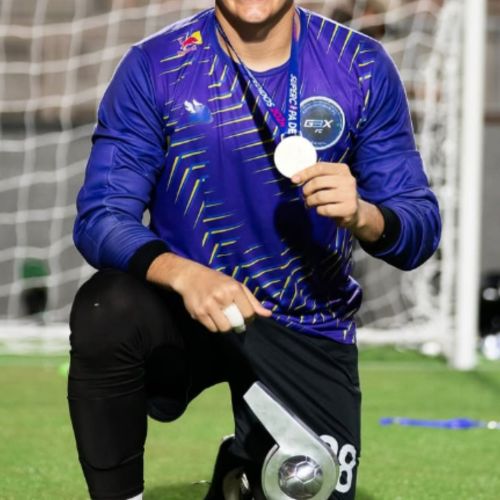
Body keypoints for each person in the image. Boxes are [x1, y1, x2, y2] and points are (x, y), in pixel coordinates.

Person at [68, 1, 441, 499]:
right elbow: (101, 215)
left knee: (308, 488)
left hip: (306, 323)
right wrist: (185, 275)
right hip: (189, 311)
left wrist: (364, 215)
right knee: (107, 306)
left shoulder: (359, 65)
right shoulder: (156, 65)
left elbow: (419, 227)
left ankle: (240, 473)